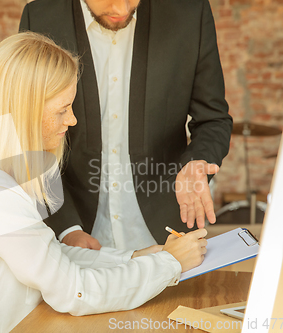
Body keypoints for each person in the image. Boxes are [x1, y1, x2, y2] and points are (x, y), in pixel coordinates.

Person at [0, 32, 208, 333]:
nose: (72, 120)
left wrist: (140, 256)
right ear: (25, 112)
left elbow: (52, 258)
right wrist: (169, 265)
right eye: (62, 110)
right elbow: (73, 290)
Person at [19, 0, 233, 250]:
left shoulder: (189, 14)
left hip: (168, 240)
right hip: (75, 237)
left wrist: (196, 161)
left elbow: (213, 119)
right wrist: (67, 228)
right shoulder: (40, 18)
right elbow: (29, 135)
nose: (122, 10)